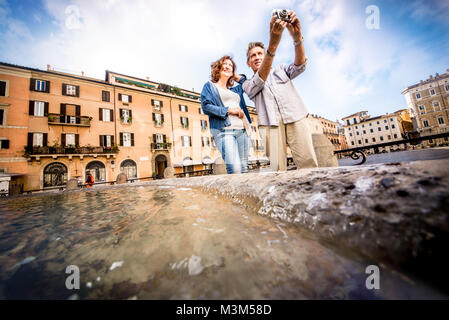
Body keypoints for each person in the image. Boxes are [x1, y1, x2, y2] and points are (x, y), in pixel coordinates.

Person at [242, 10, 318, 171]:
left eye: (259, 54)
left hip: (296, 116)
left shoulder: (281, 69)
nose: (257, 57)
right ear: (248, 63)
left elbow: (300, 66)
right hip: (269, 125)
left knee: (308, 164)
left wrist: (297, 39)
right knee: (277, 170)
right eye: (252, 56)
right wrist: (273, 44)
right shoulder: (247, 84)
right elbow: (260, 79)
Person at [201, 55, 252, 174]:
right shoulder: (210, 86)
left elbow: (246, 82)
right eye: (225, 64)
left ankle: (242, 193)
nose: (228, 66)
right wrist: (229, 110)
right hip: (224, 131)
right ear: (218, 67)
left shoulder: (235, 90)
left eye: (231, 65)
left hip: (243, 130)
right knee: (235, 169)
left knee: (244, 169)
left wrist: (232, 74)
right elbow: (206, 106)